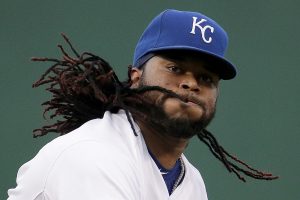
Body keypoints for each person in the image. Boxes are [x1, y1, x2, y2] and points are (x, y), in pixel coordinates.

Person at [7, 9, 277, 200]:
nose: (190, 83)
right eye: (175, 67)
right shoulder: (94, 155)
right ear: (136, 78)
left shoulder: (190, 182)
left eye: (205, 78)